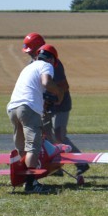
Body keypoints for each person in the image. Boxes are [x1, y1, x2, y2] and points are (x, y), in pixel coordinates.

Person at [7, 36, 64, 193]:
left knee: (21, 147)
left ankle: (23, 177)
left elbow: (34, 90)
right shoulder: (46, 66)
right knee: (34, 147)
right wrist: (59, 92)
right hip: (28, 108)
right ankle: (31, 184)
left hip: (13, 107)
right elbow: (46, 83)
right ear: (51, 59)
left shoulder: (28, 68)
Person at [39, 43, 90, 177]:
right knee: (47, 137)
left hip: (60, 104)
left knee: (59, 136)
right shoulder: (33, 63)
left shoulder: (55, 64)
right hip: (45, 105)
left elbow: (64, 86)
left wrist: (56, 99)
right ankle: (56, 168)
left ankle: (81, 162)